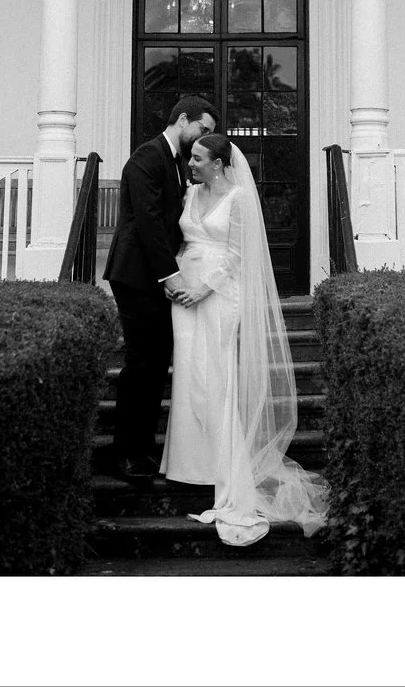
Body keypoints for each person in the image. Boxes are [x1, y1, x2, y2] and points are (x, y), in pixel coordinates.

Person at [160, 132, 328, 545]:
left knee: (216, 374)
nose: (191, 163)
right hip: (184, 288)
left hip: (219, 292)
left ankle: (222, 466)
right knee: (189, 373)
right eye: (192, 157)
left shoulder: (237, 199)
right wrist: (175, 280)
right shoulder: (187, 194)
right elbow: (183, 240)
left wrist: (204, 288)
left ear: (218, 164)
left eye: (198, 158)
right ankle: (189, 463)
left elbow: (236, 255)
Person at [101, 95, 215, 487]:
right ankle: (126, 454)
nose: (204, 138)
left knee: (155, 363)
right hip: (136, 275)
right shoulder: (146, 158)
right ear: (183, 120)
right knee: (141, 364)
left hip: (156, 275)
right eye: (203, 129)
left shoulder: (175, 161)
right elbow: (148, 223)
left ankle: (143, 447)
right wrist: (173, 277)